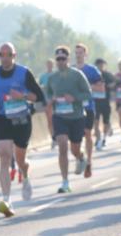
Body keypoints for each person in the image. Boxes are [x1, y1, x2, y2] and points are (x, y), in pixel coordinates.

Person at [0, 42, 45, 214]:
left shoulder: (24, 73)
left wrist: (23, 96)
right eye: (1, 54)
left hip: (21, 120)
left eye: (9, 54)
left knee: (20, 159)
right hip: (2, 119)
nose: (5, 58)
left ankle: (25, 176)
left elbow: (39, 96)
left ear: (14, 56)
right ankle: (7, 199)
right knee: (4, 156)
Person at [45, 46, 92, 194]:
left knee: (74, 148)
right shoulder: (52, 78)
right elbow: (46, 93)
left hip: (77, 116)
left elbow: (88, 93)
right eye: (57, 58)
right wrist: (51, 100)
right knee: (62, 146)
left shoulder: (77, 75)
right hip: (60, 117)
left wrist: (74, 98)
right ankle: (65, 182)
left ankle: (81, 157)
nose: (60, 61)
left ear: (68, 59)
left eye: (63, 58)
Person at [73, 43, 102, 176]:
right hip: (74, 108)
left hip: (88, 107)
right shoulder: (71, 71)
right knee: (75, 138)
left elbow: (101, 88)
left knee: (88, 133)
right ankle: (80, 158)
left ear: (86, 54)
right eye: (77, 53)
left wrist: (86, 87)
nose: (78, 55)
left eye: (81, 53)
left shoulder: (92, 70)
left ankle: (89, 162)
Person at [93, 58, 115, 147]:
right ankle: (98, 139)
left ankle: (104, 138)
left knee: (106, 122)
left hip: (105, 102)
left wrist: (107, 86)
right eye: (98, 65)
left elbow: (114, 83)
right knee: (96, 121)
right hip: (95, 102)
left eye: (102, 64)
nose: (100, 66)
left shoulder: (108, 75)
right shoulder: (93, 75)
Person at [38, 58, 57, 146]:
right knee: (49, 120)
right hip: (46, 100)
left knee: (57, 119)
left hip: (56, 100)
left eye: (51, 64)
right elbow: (38, 87)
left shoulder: (56, 74)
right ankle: (53, 138)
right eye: (48, 64)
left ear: (53, 65)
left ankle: (59, 135)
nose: (49, 66)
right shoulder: (43, 76)